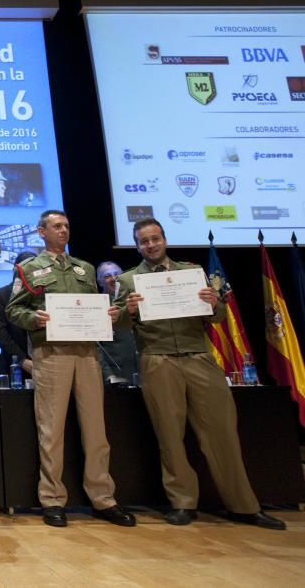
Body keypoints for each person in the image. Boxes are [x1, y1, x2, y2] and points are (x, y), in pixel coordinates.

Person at [115, 218, 285, 530]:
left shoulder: (191, 272)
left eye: (155, 239)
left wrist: (214, 302)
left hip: (199, 357)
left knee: (222, 432)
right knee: (170, 435)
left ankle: (244, 506)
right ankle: (182, 503)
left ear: (165, 239)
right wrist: (127, 311)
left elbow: (218, 317)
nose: (150, 245)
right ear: (137, 245)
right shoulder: (128, 281)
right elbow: (117, 327)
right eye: (144, 241)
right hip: (157, 359)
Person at [5, 210, 134, 528]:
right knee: (51, 430)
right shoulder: (28, 269)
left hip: (87, 354)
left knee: (96, 430)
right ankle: (52, 499)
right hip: (51, 354)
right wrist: (34, 319)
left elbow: (96, 307)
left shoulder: (84, 269)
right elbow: (13, 309)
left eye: (66, 226)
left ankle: (104, 498)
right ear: (41, 232)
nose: (63, 231)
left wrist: (111, 314)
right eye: (56, 226)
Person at [0, 251, 35, 379]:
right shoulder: (1, 296)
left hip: (46, 362)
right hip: (14, 364)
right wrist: (22, 360)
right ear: (15, 270)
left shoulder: (46, 295)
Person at [95, 261, 139, 384]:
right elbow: (95, 347)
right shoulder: (96, 307)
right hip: (117, 376)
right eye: (107, 276)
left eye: (117, 274)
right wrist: (109, 375)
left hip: (146, 370)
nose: (114, 279)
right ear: (99, 282)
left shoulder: (136, 300)